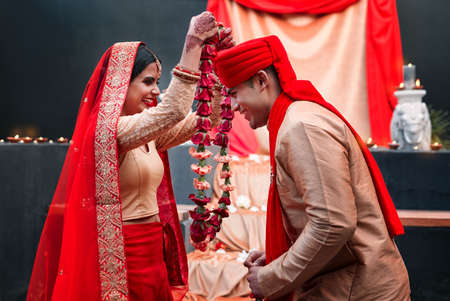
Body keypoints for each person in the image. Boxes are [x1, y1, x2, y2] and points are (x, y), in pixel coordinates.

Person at [27, 11, 233, 301]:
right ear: (121, 83)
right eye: (148, 82)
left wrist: (220, 62)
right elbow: (173, 110)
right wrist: (192, 45)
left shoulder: (145, 132)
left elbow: (204, 120)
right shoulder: (111, 131)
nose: (155, 91)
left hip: (152, 250)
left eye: (157, 82)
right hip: (123, 255)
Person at [214, 35, 410, 300]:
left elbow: (332, 224)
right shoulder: (293, 120)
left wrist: (272, 277)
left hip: (358, 289)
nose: (234, 106)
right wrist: (281, 256)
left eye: (234, 93)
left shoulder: (301, 127)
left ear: (261, 81)